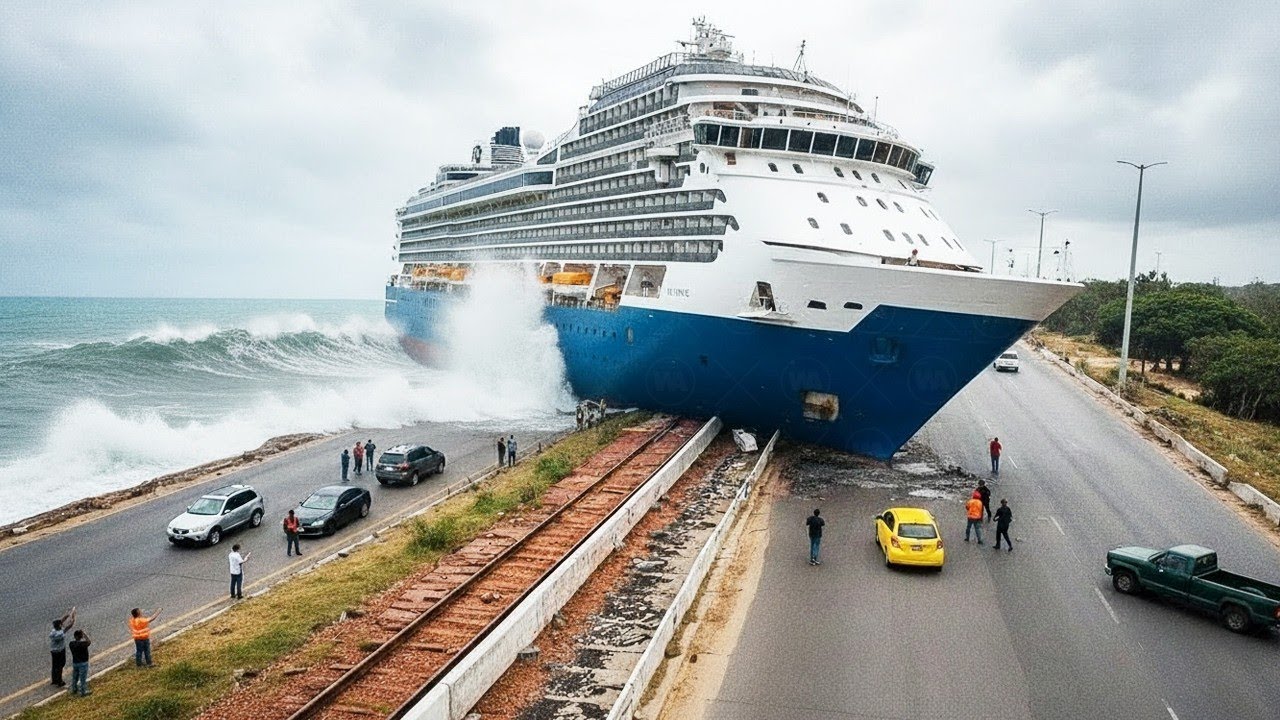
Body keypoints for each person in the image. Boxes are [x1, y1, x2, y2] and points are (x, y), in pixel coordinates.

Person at [49, 607, 75, 686]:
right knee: (61, 664)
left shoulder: (53, 631)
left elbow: (61, 622)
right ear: (60, 626)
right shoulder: (60, 634)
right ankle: (59, 681)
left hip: (53, 651)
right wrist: (73, 617)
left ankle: (54, 679)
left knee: (54, 665)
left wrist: (67, 615)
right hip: (60, 651)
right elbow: (69, 626)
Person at [68, 629, 91, 696]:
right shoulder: (83, 644)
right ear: (81, 636)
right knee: (82, 678)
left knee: (75, 677)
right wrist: (84, 634)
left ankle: (74, 689)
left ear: (75, 636)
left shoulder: (71, 644)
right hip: (83, 663)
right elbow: (89, 642)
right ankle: (83, 691)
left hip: (75, 663)